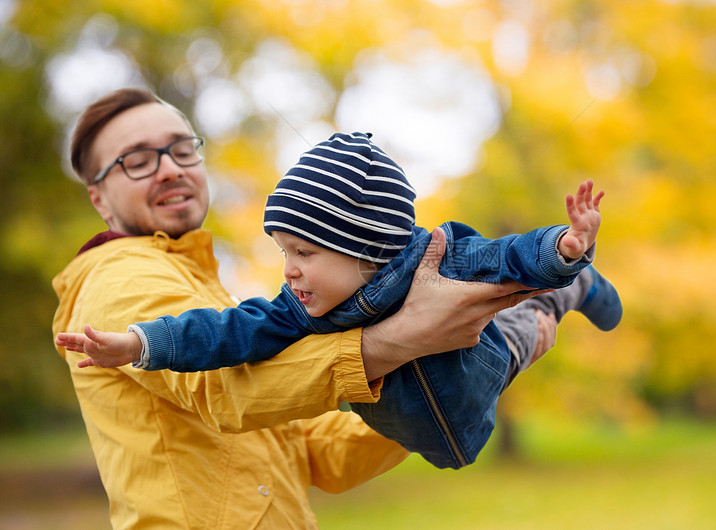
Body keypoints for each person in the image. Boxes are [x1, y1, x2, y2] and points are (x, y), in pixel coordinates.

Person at [51, 88, 562, 528]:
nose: (168, 168)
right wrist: (405, 337)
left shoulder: (203, 287)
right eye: (137, 160)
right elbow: (225, 393)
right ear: (100, 199)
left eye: (182, 150)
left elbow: (323, 454)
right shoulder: (119, 277)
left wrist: (454, 377)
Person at [57, 131, 622, 470]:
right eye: (282, 252)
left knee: (530, 310)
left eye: (303, 252)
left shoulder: (441, 256)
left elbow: (508, 254)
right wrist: (139, 342)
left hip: (484, 367)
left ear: (364, 245)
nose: (288, 271)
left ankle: (576, 285)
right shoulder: (297, 309)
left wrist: (564, 246)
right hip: (440, 434)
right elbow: (222, 332)